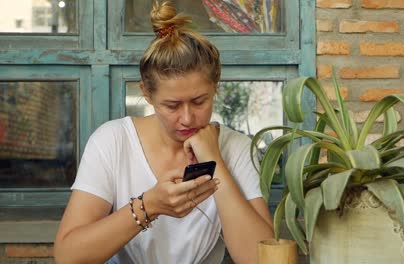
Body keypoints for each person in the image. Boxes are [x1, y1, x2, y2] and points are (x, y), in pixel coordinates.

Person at [53, 1, 274, 263]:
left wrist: (215, 161)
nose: (188, 118)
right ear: (146, 93)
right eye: (172, 105)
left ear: (215, 87)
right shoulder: (113, 141)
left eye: (199, 101)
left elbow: (261, 259)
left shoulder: (235, 147)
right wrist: (150, 206)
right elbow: (68, 256)